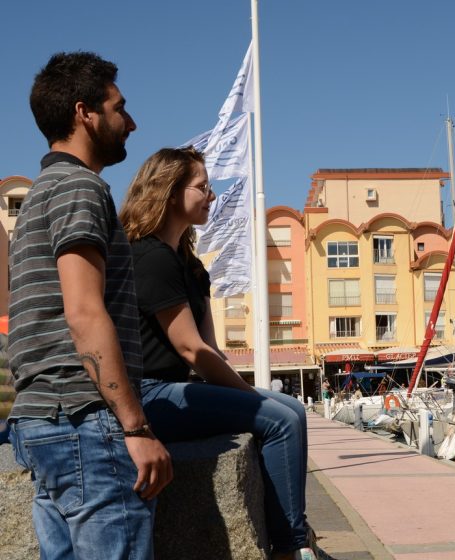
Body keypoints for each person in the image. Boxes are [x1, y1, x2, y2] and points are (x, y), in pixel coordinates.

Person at [7, 52, 172, 559]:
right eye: (119, 108)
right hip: (85, 422)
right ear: (86, 113)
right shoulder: (80, 187)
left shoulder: (37, 195)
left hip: (39, 422)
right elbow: (83, 312)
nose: (131, 122)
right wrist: (135, 426)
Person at [118, 147, 315, 560]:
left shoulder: (190, 265)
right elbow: (190, 349)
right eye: (202, 187)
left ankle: (292, 536)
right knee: (281, 418)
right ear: (170, 193)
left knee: (291, 410)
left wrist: (247, 393)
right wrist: (250, 396)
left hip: (178, 390)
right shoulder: (148, 256)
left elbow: (210, 350)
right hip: (149, 395)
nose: (212, 196)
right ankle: (288, 549)